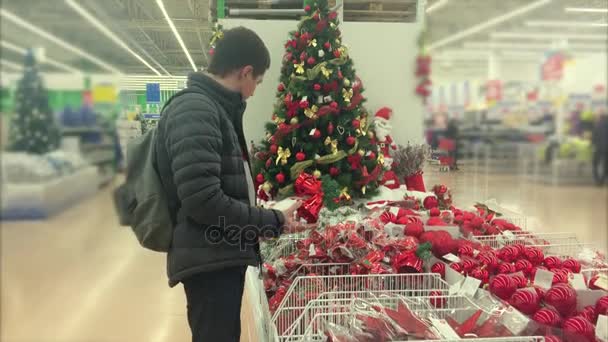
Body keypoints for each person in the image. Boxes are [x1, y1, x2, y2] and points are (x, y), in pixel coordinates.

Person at [154, 27, 308, 342]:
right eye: (257, 83)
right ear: (245, 72)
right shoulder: (196, 110)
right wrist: (272, 221)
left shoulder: (214, 109)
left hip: (217, 254)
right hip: (208, 260)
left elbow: (216, 187)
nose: (253, 92)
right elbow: (203, 201)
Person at [592, 111, 608, 185]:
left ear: (600, 117)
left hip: (598, 147)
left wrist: (593, 144)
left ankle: (598, 180)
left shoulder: (598, 124)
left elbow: (594, 136)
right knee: (606, 164)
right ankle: (602, 180)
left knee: (595, 164)